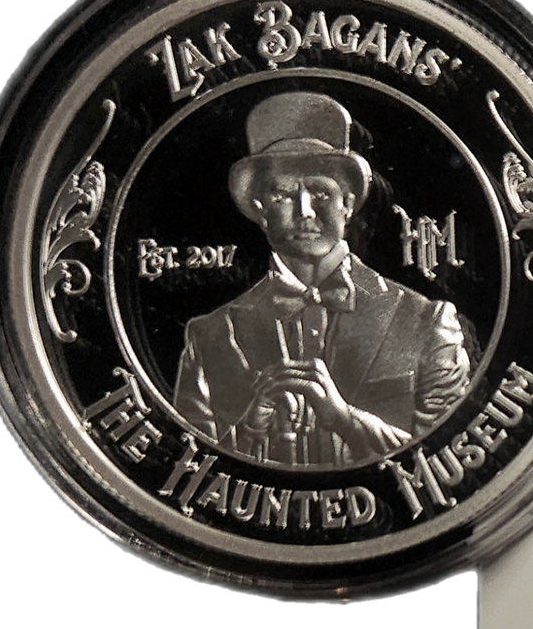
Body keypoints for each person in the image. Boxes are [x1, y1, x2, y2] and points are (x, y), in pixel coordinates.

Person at [172, 92, 471, 468]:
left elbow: (448, 459)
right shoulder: (209, 337)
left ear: (348, 204)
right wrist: (250, 428)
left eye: (320, 191)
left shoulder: (426, 322)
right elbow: (186, 469)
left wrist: (344, 418)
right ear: (261, 211)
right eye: (283, 194)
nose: (305, 211)